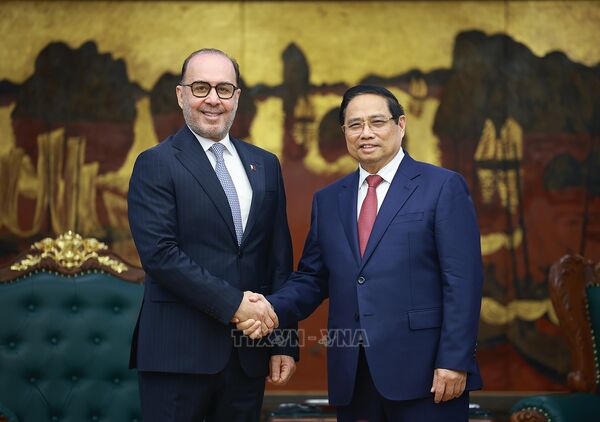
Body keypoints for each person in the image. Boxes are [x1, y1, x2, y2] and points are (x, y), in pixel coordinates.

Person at [239, 85, 483, 421]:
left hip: (427, 375)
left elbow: (463, 282)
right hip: (354, 377)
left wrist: (455, 360)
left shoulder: (442, 187)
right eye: (355, 125)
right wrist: (269, 308)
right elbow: (312, 278)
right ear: (344, 133)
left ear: (400, 125)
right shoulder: (329, 200)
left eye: (377, 122)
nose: (365, 133)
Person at [128, 48, 297, 422]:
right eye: (201, 87)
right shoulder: (156, 163)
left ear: (237, 97)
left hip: (247, 355)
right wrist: (235, 304)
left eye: (224, 89)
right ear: (181, 95)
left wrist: (284, 342)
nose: (213, 99)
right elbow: (160, 255)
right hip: (177, 354)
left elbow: (278, 258)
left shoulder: (265, 164)